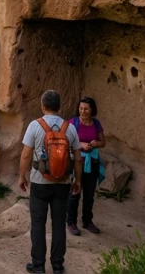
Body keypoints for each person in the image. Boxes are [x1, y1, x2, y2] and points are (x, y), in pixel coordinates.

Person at [19, 90, 82, 274]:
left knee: (38, 223)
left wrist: (22, 176)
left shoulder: (35, 125)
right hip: (63, 182)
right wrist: (77, 180)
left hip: (40, 182)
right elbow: (78, 158)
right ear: (59, 106)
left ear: (42, 105)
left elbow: (26, 155)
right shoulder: (70, 128)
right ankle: (57, 265)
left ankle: (38, 265)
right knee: (59, 223)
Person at [68, 97, 105, 236]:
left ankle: (87, 221)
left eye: (86, 109)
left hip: (92, 163)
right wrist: (80, 145)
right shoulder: (73, 123)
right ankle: (71, 222)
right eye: (81, 108)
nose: (83, 111)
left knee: (89, 195)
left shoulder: (96, 124)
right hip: (77, 163)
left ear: (92, 110)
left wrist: (96, 144)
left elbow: (103, 142)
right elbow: (65, 142)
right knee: (74, 193)